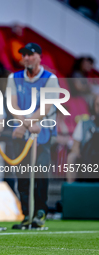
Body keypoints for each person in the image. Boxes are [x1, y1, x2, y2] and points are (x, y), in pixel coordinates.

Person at [7, 43, 60, 229]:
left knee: (40, 173)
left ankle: (40, 212)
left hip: (43, 134)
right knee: (21, 175)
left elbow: (45, 108)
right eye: (24, 55)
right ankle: (26, 214)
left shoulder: (50, 79)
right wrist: (25, 125)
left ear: (39, 57)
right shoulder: (14, 77)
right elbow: (13, 105)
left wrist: (24, 124)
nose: (27, 58)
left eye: (30, 54)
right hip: (20, 134)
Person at [67, 95, 99, 182]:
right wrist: (77, 152)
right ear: (93, 106)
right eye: (98, 105)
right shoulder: (84, 124)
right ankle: (72, 190)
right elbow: (75, 147)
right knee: (71, 157)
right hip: (87, 158)